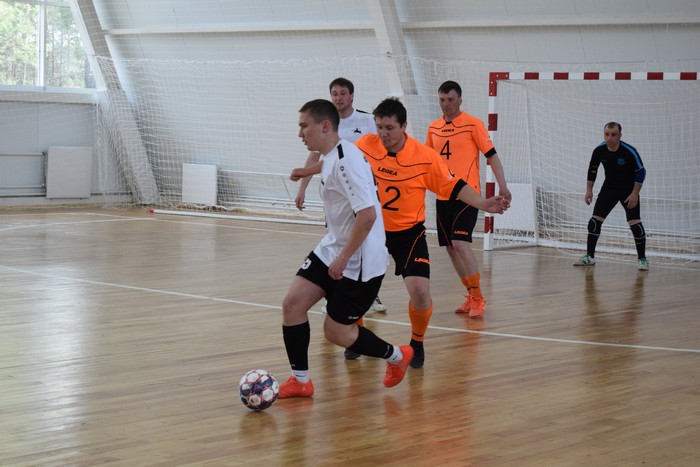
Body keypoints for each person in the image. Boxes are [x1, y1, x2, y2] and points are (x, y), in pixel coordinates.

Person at [294, 97, 508, 370]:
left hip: (408, 233)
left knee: (420, 291)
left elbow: (454, 186)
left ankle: (417, 343)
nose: (383, 134)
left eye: (389, 128)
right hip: (371, 232)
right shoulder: (366, 145)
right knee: (353, 286)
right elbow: (335, 161)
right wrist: (307, 171)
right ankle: (355, 335)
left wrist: (483, 203)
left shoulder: (424, 156)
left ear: (404, 126)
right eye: (379, 127)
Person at [279, 99, 413, 399]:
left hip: (360, 260)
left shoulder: (347, 161)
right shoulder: (334, 153)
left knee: (336, 332)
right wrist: (306, 171)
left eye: (304, 126)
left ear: (325, 126)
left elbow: (367, 216)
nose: (300, 133)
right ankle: (300, 381)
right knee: (292, 305)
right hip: (334, 245)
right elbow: (328, 166)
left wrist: (342, 258)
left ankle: (396, 356)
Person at [295, 78, 388, 317]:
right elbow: (323, 159)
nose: (338, 97)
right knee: (294, 304)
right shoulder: (328, 138)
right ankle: (341, 291)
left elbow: (367, 213)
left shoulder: (365, 123)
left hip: (362, 200)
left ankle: (366, 292)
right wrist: (304, 179)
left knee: (339, 327)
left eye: (342, 93)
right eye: (334, 93)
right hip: (340, 209)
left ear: (352, 95)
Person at [425, 80, 512, 318]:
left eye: (450, 100)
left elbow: (492, 156)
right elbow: (426, 161)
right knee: (451, 248)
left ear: (460, 100)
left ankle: (478, 297)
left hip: (468, 195)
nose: (446, 104)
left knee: (461, 243)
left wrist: (503, 186)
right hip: (442, 195)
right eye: (442, 100)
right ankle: (470, 294)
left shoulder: (473, 124)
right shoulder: (433, 127)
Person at [574, 122, 649, 270]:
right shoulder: (599, 150)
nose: (609, 138)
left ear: (620, 136)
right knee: (594, 222)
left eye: (613, 135)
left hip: (628, 190)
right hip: (609, 189)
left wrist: (635, 194)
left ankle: (642, 259)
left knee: (635, 224)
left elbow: (641, 172)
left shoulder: (629, 151)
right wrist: (589, 190)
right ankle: (590, 256)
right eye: (607, 134)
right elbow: (592, 170)